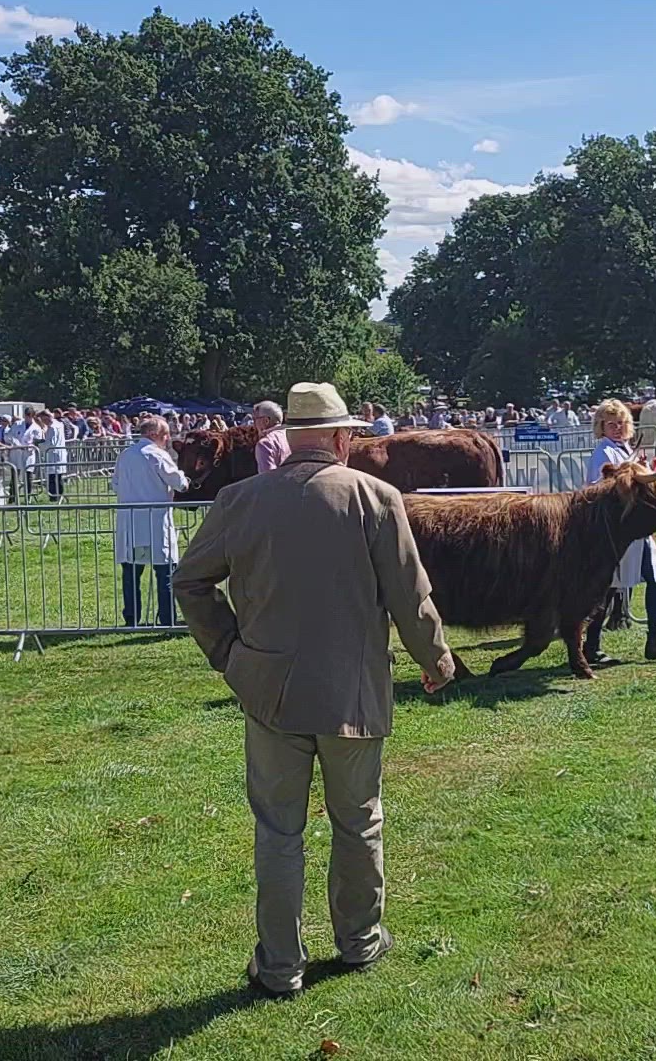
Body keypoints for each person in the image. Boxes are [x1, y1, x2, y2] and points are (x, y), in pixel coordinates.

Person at [173, 381, 457, 999]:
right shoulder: (375, 498)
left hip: (267, 688)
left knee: (279, 832)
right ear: (337, 437)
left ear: (290, 436)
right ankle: (358, 941)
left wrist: (228, 653)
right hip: (352, 691)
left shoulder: (239, 499)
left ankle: (279, 965)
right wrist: (435, 660)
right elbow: (410, 597)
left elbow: (190, 582)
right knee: (358, 822)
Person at [580, 399, 656, 665]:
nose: (617, 428)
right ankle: (591, 647)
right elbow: (603, 488)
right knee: (606, 588)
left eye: (621, 423)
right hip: (616, 532)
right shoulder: (603, 453)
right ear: (601, 427)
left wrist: (650, 470)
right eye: (611, 424)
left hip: (636, 530)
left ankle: (655, 639)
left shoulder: (623, 449)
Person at [113, 417, 190, 627]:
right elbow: (180, 483)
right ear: (155, 435)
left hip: (130, 521)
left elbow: (115, 484)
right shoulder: (157, 454)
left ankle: (132, 618)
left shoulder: (125, 455)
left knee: (131, 572)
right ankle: (167, 618)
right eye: (165, 435)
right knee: (164, 571)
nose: (167, 439)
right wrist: (185, 479)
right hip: (155, 521)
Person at [252, 400, 290, 474]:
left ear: (266, 421)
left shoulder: (265, 444)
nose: (254, 424)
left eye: (255, 419)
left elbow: (267, 481)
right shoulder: (292, 436)